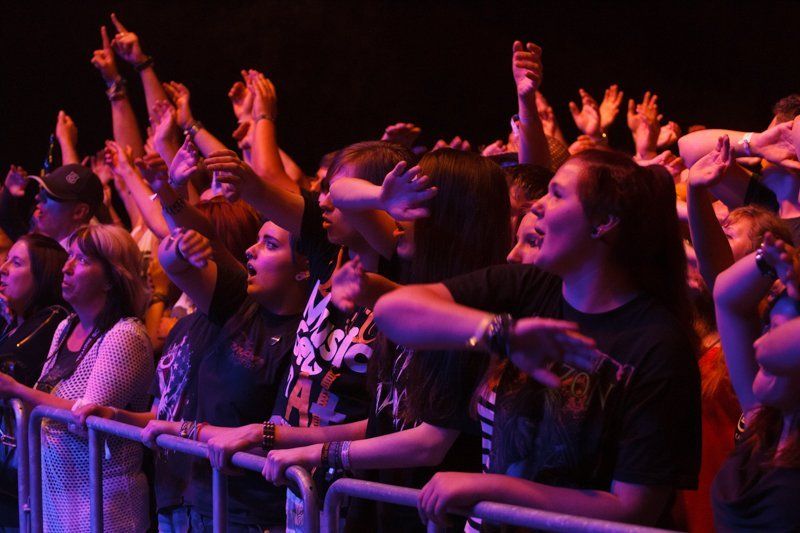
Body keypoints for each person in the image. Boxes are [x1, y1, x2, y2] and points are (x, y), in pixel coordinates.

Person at [373, 150, 701, 529]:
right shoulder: (531, 287)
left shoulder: (658, 345)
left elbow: (632, 509)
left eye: (557, 194)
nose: (538, 205)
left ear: (603, 223)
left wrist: (494, 488)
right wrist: (501, 333)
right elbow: (393, 311)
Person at [76, 215, 309, 531]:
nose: (251, 250)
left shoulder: (295, 338)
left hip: (239, 514)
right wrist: (116, 416)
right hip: (178, 502)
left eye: (269, 244)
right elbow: (164, 418)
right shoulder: (199, 325)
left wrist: (187, 431)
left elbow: (277, 437)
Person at [0, 224, 153, 532]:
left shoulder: (124, 335)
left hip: (104, 507)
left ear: (111, 278)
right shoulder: (65, 327)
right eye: (69, 256)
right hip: (58, 498)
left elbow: (86, 421)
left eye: (82, 260)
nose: (66, 267)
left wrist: (15, 389)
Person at [711, 233, 800, 531]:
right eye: (768, 326)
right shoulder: (764, 423)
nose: (760, 342)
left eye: (780, 332)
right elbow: (726, 296)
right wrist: (774, 262)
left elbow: (766, 351)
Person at [0, 234, 69, 527]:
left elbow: (9, 366)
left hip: (22, 473)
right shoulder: (12, 321)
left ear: (43, 276)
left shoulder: (54, 317)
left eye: (16, 263)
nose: (3, 269)